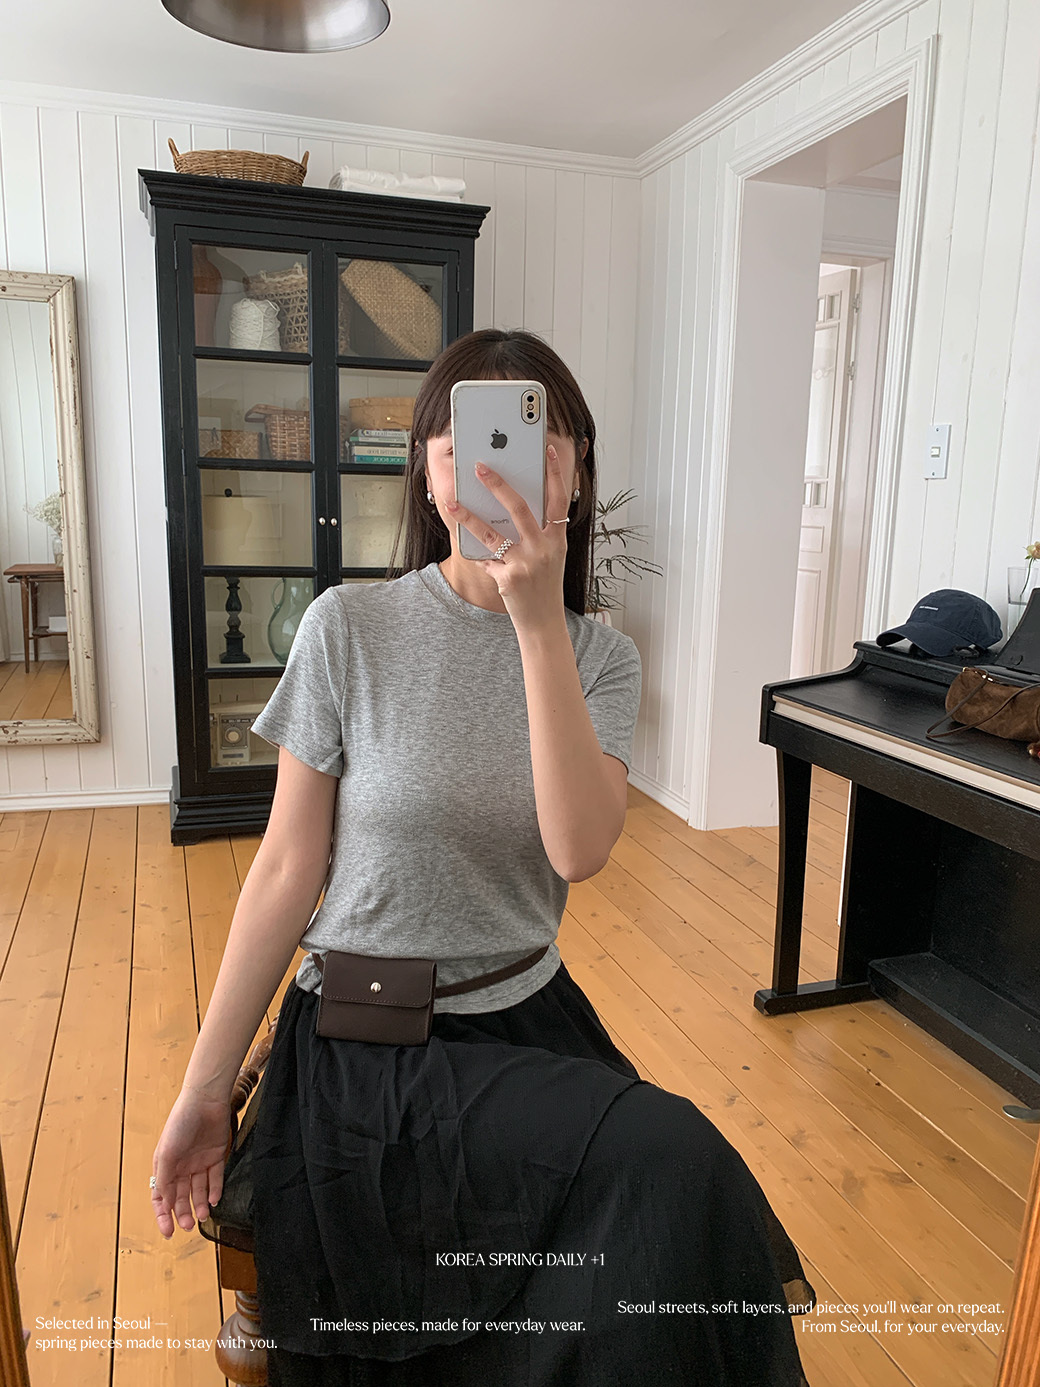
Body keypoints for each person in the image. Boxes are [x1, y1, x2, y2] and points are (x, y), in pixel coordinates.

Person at [151, 328, 814, 1386]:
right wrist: (203, 1087)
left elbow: (578, 848)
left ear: (574, 471)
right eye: (463, 440)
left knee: (667, 1183)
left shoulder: (600, 656)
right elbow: (283, 869)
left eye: (528, 437)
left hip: (523, 1020)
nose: (492, 466)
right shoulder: (347, 627)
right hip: (364, 1046)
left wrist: (536, 621)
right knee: (669, 1159)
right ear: (427, 471)